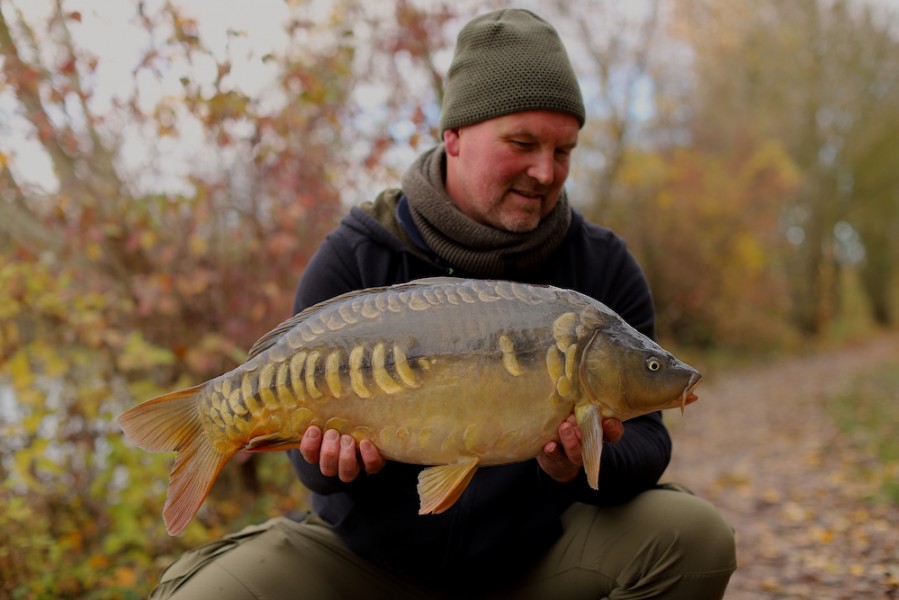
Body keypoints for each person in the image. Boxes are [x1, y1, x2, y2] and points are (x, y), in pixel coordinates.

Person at [152, 8, 736, 599]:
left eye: (563, 150)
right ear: (453, 136)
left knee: (695, 538)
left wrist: (578, 464)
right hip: (369, 563)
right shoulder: (357, 254)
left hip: (534, 562)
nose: (545, 171)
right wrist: (331, 460)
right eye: (523, 143)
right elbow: (307, 468)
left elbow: (649, 443)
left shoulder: (603, 268)